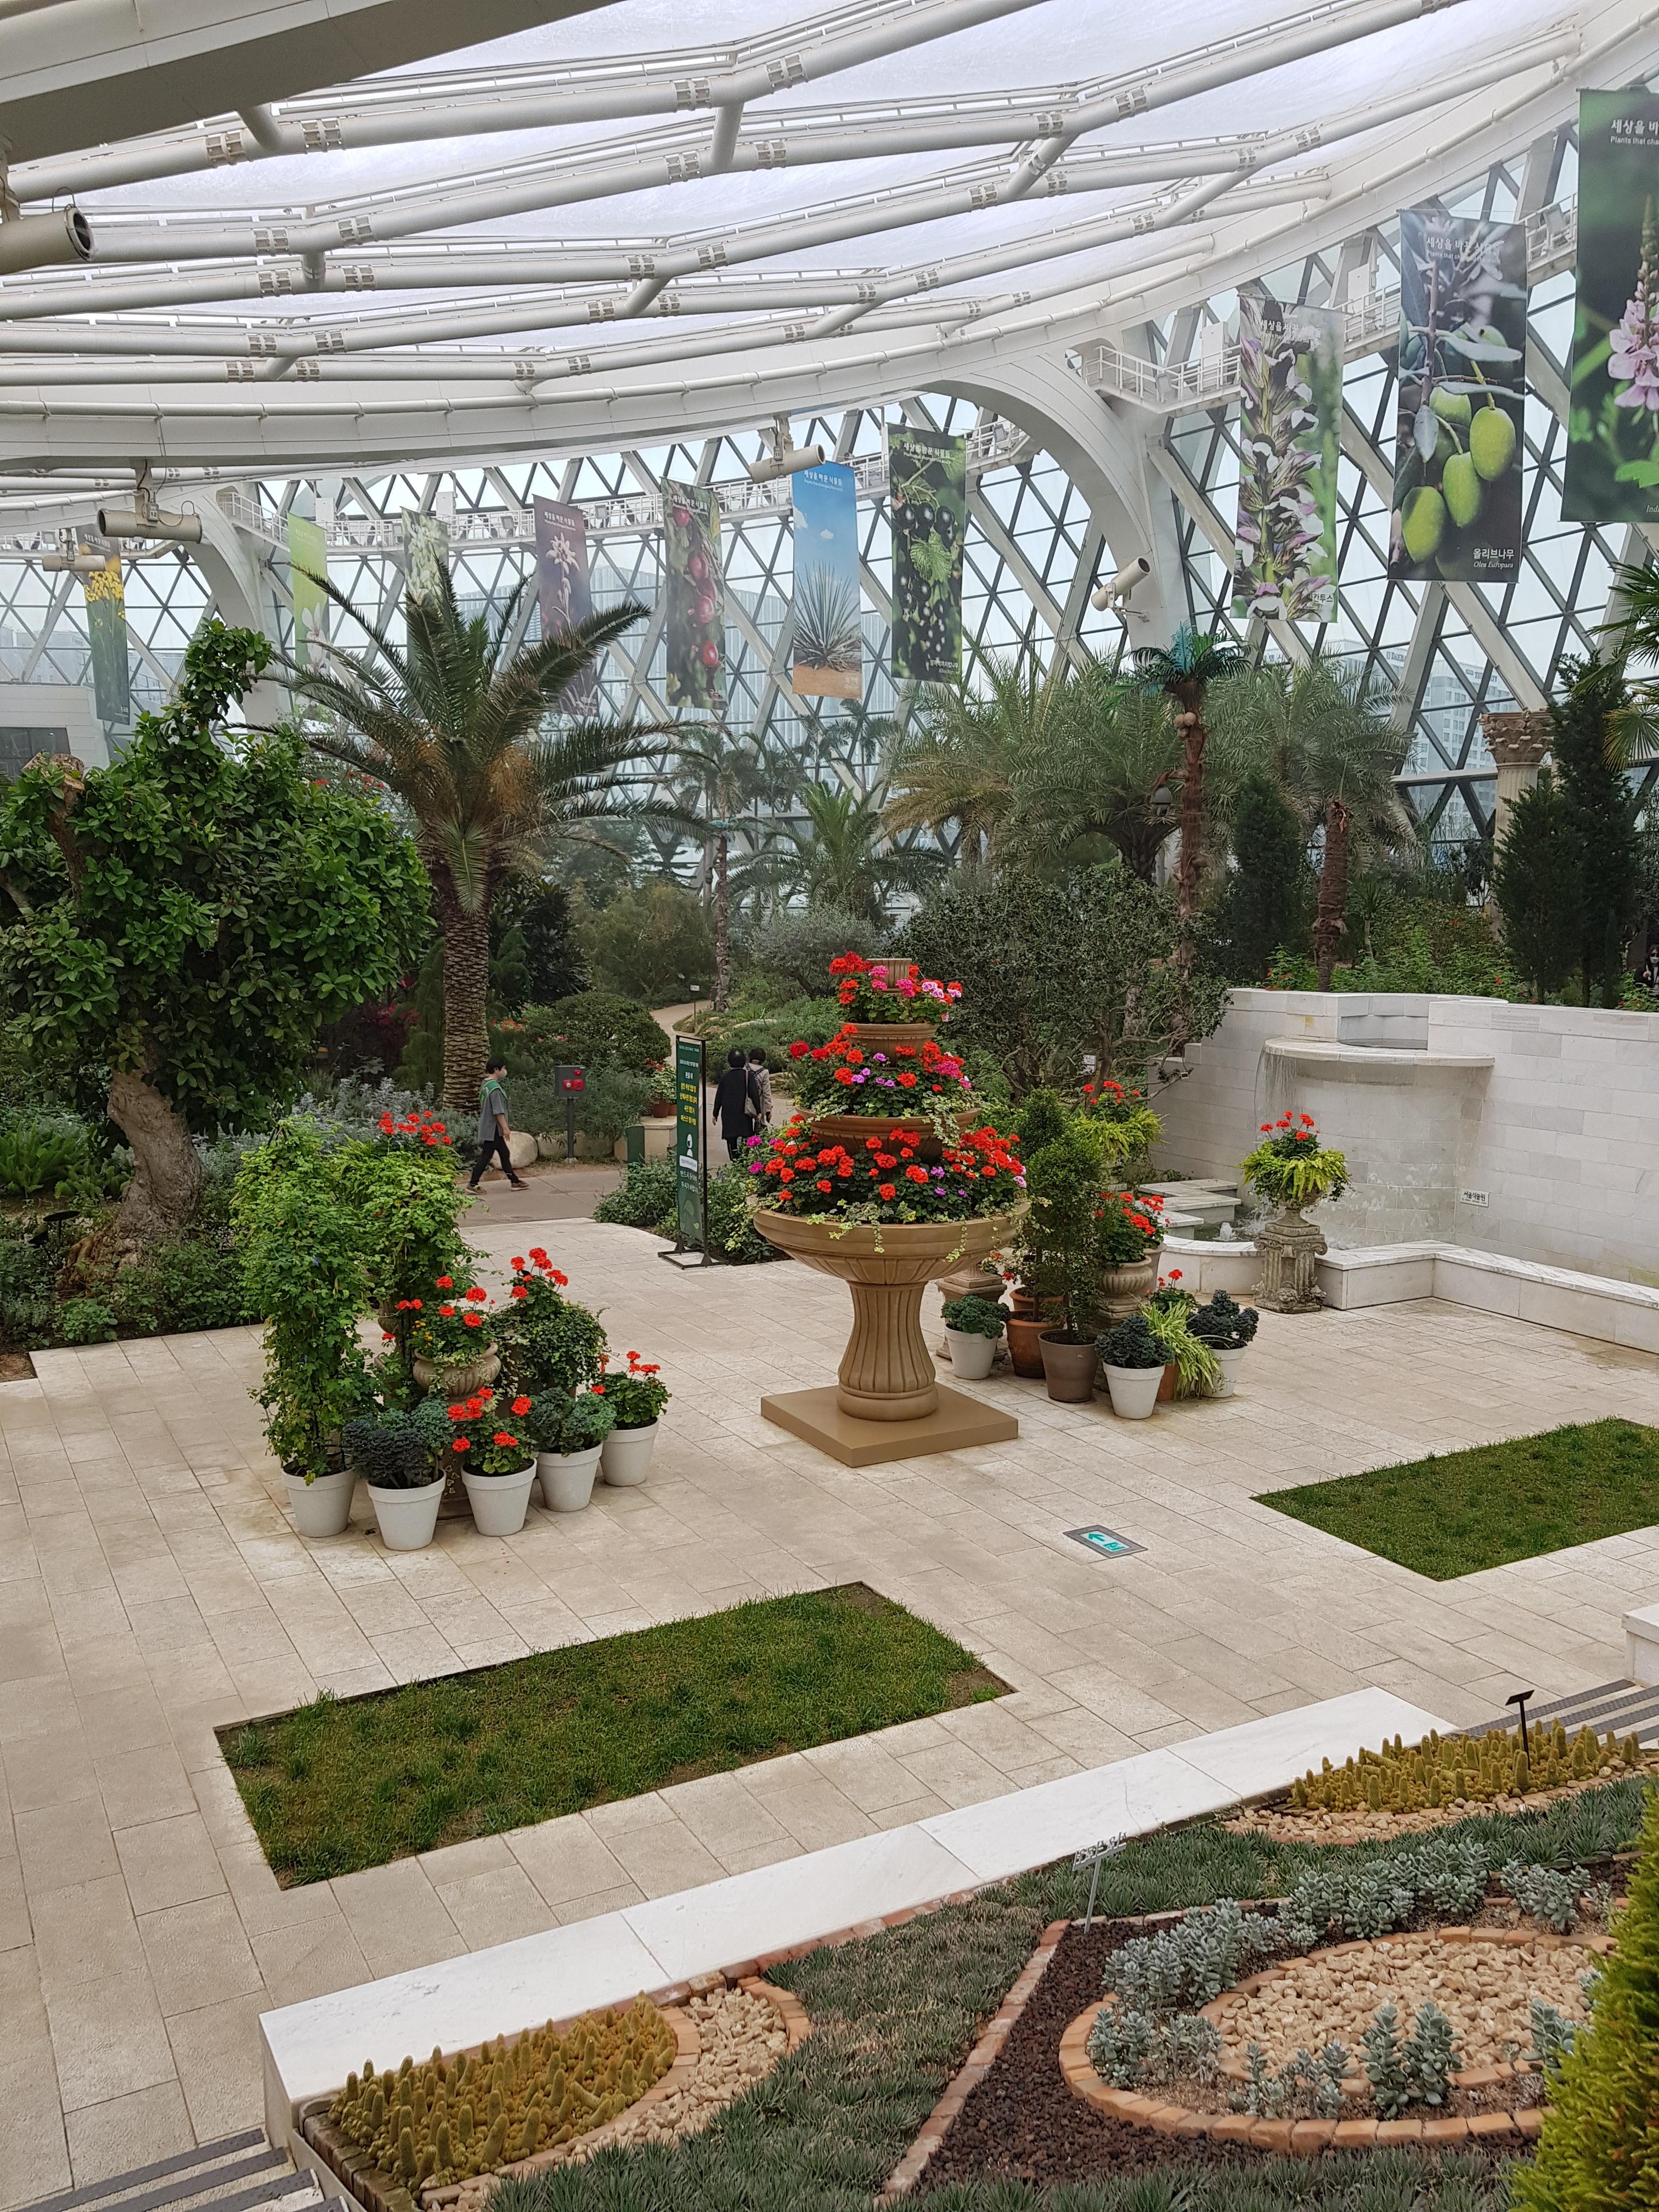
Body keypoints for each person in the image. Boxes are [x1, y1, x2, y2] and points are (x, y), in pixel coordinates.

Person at [470, 1056, 529, 1190]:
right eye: (504, 1068)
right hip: (494, 1129)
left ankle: (514, 1181)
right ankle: (473, 1184)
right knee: (486, 1156)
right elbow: (498, 1111)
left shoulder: (486, 1084)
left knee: (504, 1153)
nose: (505, 1071)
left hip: (490, 1127)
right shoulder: (495, 1089)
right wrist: (505, 1128)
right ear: (497, 1069)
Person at [712, 1047, 756, 1163]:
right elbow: (754, 1094)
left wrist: (715, 1113)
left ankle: (735, 1158)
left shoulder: (725, 1077)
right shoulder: (748, 1076)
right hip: (744, 1113)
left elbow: (719, 1096)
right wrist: (759, 1112)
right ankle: (744, 1158)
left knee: (731, 1137)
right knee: (745, 1134)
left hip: (729, 1113)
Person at [746, 1046, 774, 1131]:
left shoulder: (745, 1068)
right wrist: (768, 1110)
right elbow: (767, 1093)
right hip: (759, 1103)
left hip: (745, 1101)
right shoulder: (764, 1072)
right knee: (760, 1125)